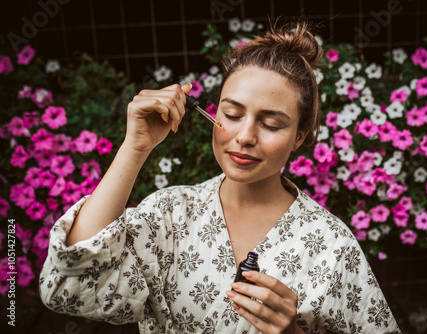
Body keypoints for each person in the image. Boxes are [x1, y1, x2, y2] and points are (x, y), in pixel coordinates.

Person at [39, 21, 401, 334]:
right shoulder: (170, 213)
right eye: (232, 113)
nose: (245, 136)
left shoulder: (331, 245)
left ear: (300, 137)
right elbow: (68, 287)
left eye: (271, 123)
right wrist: (135, 147)